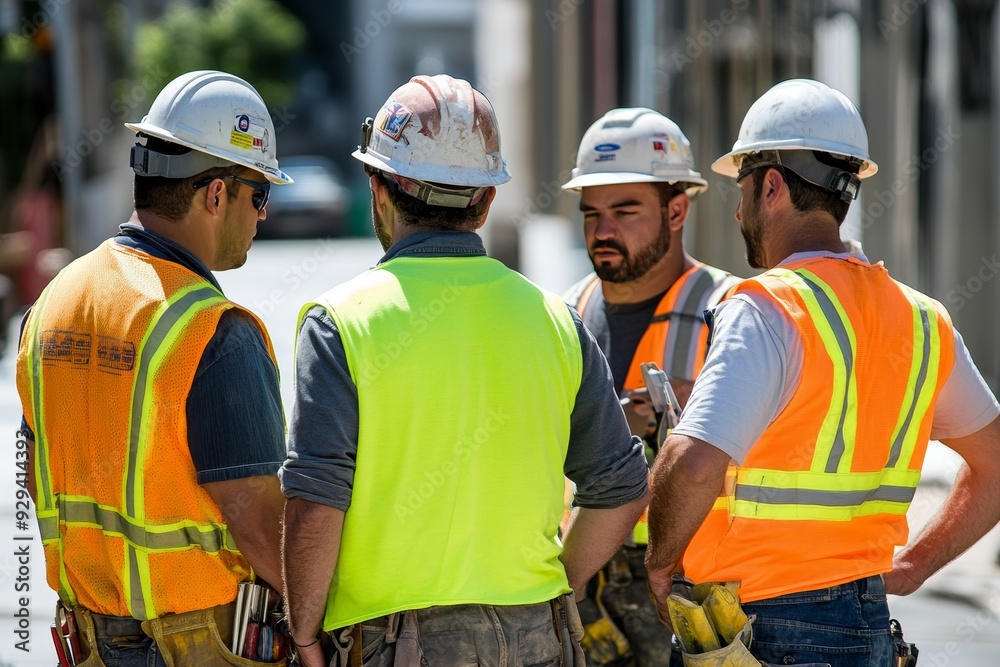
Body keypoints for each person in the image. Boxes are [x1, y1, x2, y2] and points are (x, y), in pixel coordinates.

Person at [280, 74, 650, 667]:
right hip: (538, 632)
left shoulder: (341, 322)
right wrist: (555, 585)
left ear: (377, 187)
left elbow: (317, 501)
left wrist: (303, 633)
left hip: (398, 641)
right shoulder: (556, 320)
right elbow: (623, 488)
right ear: (487, 199)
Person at [644, 78, 1000, 667]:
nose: (737, 209)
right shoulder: (923, 321)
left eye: (743, 187)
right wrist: (910, 569)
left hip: (764, 628)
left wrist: (660, 565)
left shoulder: (766, 308)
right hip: (866, 624)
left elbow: (693, 464)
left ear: (773, 186)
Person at [14, 70, 292, 666]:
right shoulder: (217, 334)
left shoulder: (50, 305)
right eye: (259, 194)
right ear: (216, 194)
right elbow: (261, 527)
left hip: (85, 639)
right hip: (199, 644)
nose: (263, 215)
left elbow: (35, 468)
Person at [560, 108, 739, 666]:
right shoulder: (566, 312)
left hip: (686, 577)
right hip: (582, 577)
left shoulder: (734, 312)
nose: (603, 230)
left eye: (625, 211)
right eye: (591, 214)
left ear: (677, 209)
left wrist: (699, 407)